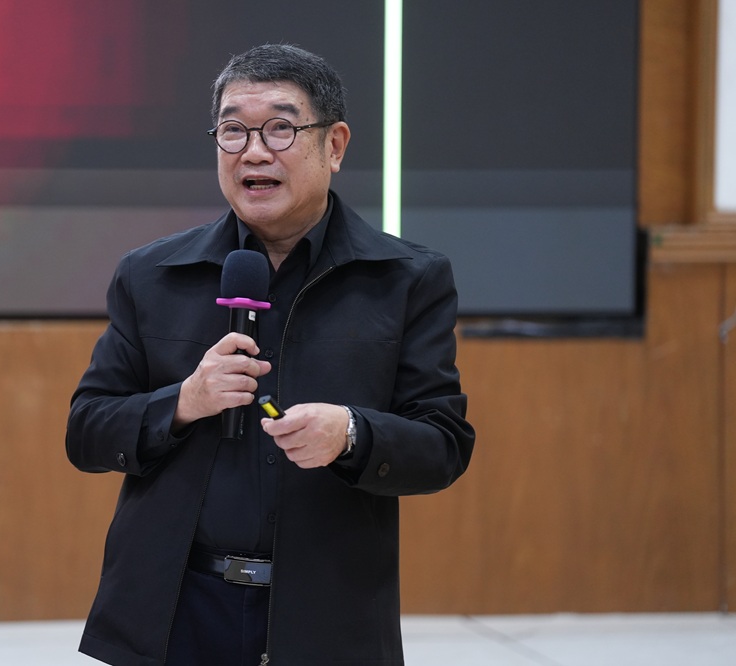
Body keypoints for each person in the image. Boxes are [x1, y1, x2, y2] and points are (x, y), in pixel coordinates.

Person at [66, 43, 475, 666]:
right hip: (174, 615)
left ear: (334, 146)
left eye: (280, 128)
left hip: (326, 620)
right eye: (233, 131)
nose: (254, 152)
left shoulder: (405, 280)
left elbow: (443, 446)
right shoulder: (151, 275)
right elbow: (87, 433)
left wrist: (353, 434)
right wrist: (185, 401)